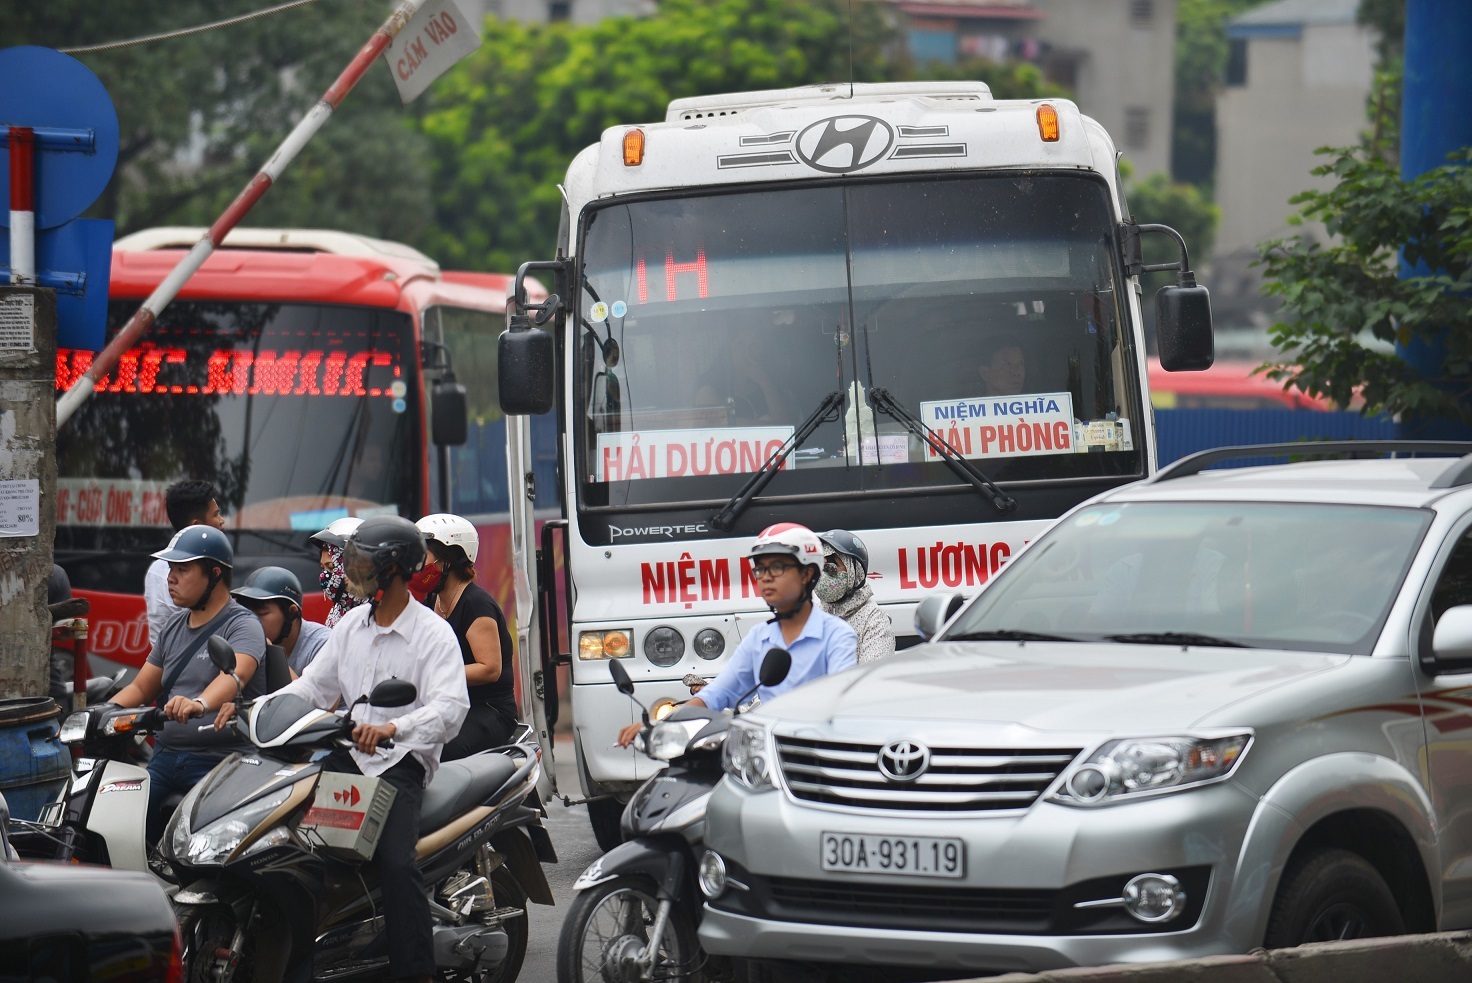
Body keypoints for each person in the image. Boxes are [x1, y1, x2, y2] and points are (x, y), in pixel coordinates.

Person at [250, 515, 468, 983]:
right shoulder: (350, 625)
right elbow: (312, 688)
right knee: (297, 852)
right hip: (349, 755)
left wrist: (394, 728)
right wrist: (252, 708)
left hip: (400, 763)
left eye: (362, 562)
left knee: (396, 862)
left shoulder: (432, 634)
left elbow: (451, 709)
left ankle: (416, 973)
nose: (351, 570)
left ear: (392, 569)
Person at [617, 522, 856, 747]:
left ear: (807, 574)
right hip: (767, 753)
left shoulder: (837, 636)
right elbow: (717, 694)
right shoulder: (760, 638)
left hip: (818, 754)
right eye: (760, 569)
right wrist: (658, 725)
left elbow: (840, 705)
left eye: (777, 567)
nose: (766, 577)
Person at [109, 525, 266, 844]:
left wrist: (199, 704)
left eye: (183, 569)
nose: (171, 578)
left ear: (215, 574)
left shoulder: (243, 624)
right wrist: (101, 714)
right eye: (170, 569)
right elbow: (141, 689)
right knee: (117, 827)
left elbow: (235, 674)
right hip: (165, 758)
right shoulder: (173, 628)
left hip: (220, 761)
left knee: (203, 845)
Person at [414, 514, 520, 760]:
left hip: (489, 710)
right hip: (448, 705)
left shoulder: (476, 604)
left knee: (441, 748)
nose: (417, 565)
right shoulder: (431, 601)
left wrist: (434, 675)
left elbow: (489, 669)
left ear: (449, 560)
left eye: (424, 556)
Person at [144, 480, 226, 653]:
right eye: (216, 515)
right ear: (196, 526)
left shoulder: (157, 569)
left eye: (182, 570)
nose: (222, 521)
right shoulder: (163, 573)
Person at [231, 566, 331, 678]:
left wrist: (273, 655)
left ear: (292, 613)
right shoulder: (241, 642)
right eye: (246, 613)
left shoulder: (322, 644)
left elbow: (317, 695)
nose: (251, 622)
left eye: (261, 614)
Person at [816, 529, 895, 664]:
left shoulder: (874, 621)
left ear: (854, 571)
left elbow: (871, 679)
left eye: (831, 566)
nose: (823, 575)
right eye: (819, 567)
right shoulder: (813, 616)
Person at [309, 515, 363, 627]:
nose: (324, 576)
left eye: (332, 567)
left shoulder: (378, 615)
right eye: (323, 568)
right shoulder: (338, 612)